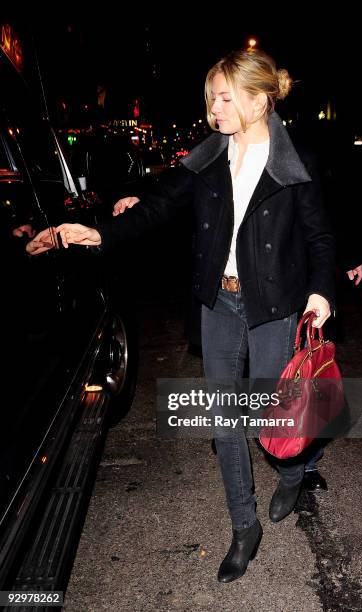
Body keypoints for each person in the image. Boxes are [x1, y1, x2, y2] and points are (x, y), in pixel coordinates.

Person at [32, 49, 336, 583]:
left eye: (224, 98)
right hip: (218, 301)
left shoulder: (295, 160)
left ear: (258, 100)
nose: (213, 109)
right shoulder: (210, 155)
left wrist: (321, 290)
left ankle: (292, 472)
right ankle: (244, 526)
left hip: (273, 305)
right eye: (211, 98)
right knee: (224, 422)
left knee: (275, 421)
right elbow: (159, 205)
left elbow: (319, 235)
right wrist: (99, 232)